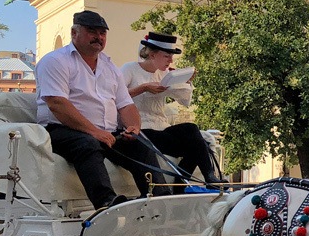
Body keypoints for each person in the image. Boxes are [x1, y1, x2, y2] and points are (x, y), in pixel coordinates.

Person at [36, 10, 161, 209]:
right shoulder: (55, 61)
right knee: (87, 144)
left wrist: (134, 128)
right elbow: (57, 103)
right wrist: (95, 132)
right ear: (74, 33)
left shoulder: (110, 68)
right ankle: (106, 203)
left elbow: (126, 104)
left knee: (141, 144)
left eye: (102, 33)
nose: (99, 37)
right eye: (92, 31)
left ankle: (160, 200)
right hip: (62, 131)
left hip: (106, 133)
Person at [121, 31, 223, 189]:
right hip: (140, 129)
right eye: (167, 55)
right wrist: (143, 88)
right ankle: (180, 185)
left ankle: (208, 176)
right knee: (194, 144)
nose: (171, 60)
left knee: (193, 131)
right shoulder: (130, 69)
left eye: (171, 56)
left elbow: (183, 100)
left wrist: (185, 82)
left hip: (161, 128)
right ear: (153, 54)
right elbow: (115, 96)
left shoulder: (165, 74)